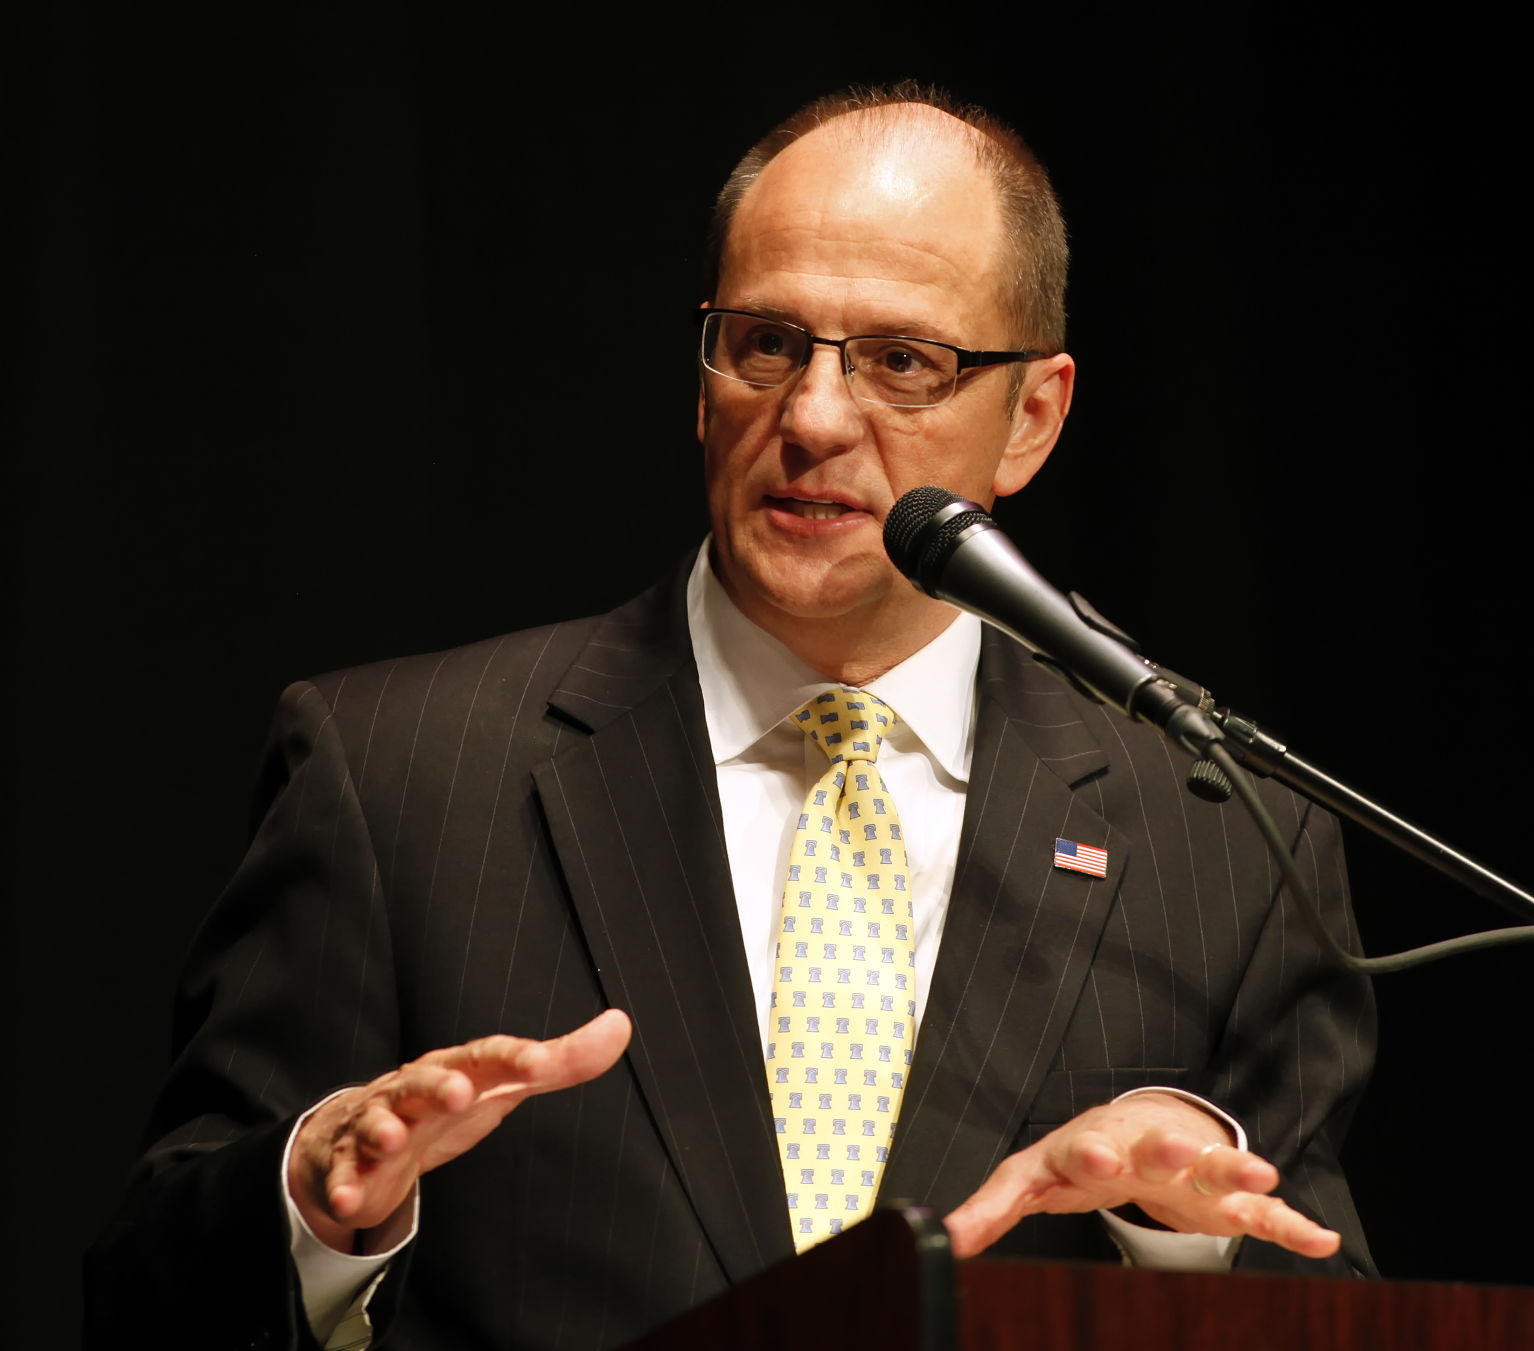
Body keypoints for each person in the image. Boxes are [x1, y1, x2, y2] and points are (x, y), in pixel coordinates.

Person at [87, 84, 1373, 1350]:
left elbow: (1339, 1314)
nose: (811, 418)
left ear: (1031, 417)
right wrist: (315, 1206)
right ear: (705, 373)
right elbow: (144, 1289)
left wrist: (1179, 1233)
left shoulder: (1221, 834)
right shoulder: (399, 772)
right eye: (765, 342)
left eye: (901, 362)